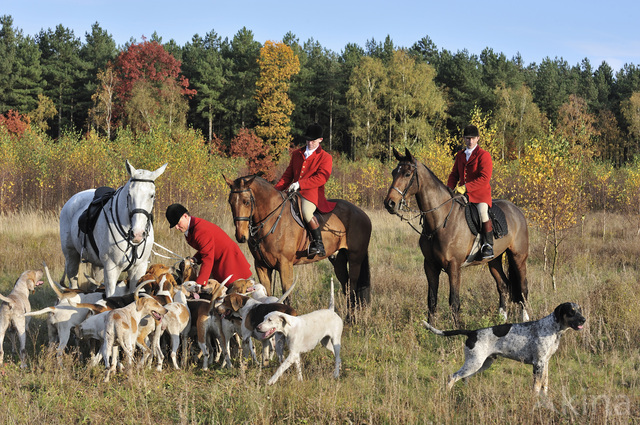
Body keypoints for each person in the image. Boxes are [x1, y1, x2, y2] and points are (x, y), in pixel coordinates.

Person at [274, 123, 336, 258]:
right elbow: (287, 175)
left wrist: (300, 184)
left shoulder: (326, 157)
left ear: (320, 140)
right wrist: (275, 191)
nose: (310, 143)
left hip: (312, 194)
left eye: (313, 141)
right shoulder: (297, 154)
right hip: (293, 192)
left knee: (307, 213)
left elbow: (321, 178)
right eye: (308, 140)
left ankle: (318, 244)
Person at [165, 203, 252, 290]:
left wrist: (200, 283)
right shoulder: (192, 228)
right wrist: (195, 259)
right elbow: (206, 248)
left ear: (185, 216)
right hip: (221, 261)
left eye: (178, 223)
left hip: (230, 263)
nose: (176, 227)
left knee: (234, 294)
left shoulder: (200, 230)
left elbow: (208, 257)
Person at [447, 124, 494, 259]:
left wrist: (465, 187)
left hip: (480, 195)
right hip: (462, 195)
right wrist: (449, 189)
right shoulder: (460, 155)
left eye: (473, 138)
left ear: (478, 138)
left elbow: (484, 178)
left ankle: (488, 245)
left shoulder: (484, 155)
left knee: (482, 212)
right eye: (467, 138)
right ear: (464, 139)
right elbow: (454, 174)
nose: (470, 141)